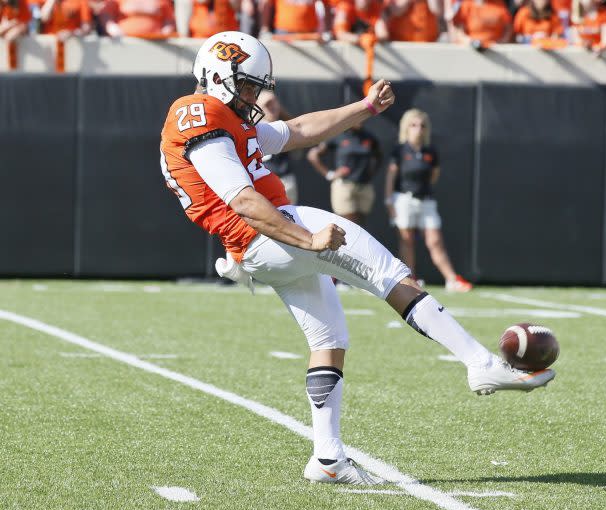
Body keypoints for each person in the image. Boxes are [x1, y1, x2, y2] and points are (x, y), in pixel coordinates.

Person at [160, 31, 555, 485]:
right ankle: (478, 362)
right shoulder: (197, 114)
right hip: (272, 230)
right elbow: (243, 200)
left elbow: (300, 131)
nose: (255, 96)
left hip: (258, 246)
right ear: (216, 76)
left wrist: (364, 109)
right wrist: (305, 239)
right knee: (391, 274)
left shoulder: (225, 118)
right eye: (248, 85)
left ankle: (327, 460)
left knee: (329, 337)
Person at [384, 108, 473, 293]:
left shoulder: (430, 151)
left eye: (422, 125)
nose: (418, 129)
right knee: (406, 240)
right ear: (406, 128)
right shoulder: (400, 150)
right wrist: (389, 202)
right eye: (414, 125)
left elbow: (434, 175)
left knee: (434, 240)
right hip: (403, 200)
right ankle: (411, 278)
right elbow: (391, 177)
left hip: (426, 201)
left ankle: (451, 279)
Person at [306, 124, 381, 226]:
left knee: (361, 225)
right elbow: (313, 155)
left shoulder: (369, 137)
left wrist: (371, 172)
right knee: (349, 223)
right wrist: (329, 174)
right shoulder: (338, 135)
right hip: (344, 186)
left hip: (364, 186)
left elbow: (378, 157)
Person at [256, 90, 299, 204]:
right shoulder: (256, 127)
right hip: (265, 182)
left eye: (274, 102)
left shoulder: (285, 124)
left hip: (286, 180)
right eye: (267, 104)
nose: (272, 107)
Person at [448, 0, 513, 48]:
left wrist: (499, 44)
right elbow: (458, 31)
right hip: (470, 49)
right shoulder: (466, 5)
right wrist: (471, 42)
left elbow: (508, 29)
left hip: (496, 50)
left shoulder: (500, 5)